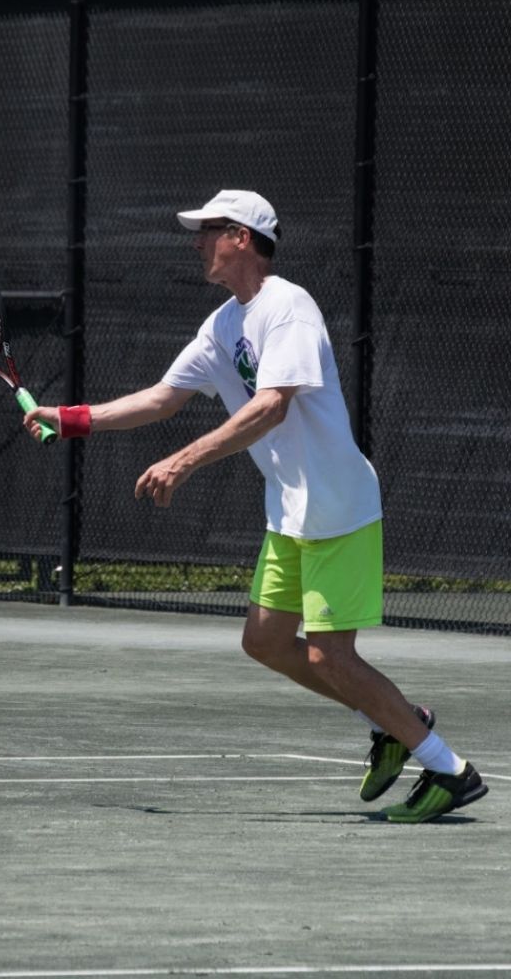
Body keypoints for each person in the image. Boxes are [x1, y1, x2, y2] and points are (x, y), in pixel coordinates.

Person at [25, 189, 488, 825]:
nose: (196, 243)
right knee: (265, 641)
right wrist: (71, 419)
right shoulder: (220, 325)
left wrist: (183, 462)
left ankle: (448, 767)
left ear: (241, 237)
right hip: (290, 516)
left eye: (207, 230)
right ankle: (394, 723)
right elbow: (162, 398)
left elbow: (273, 403)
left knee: (330, 654)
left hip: (339, 509)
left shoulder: (288, 306)